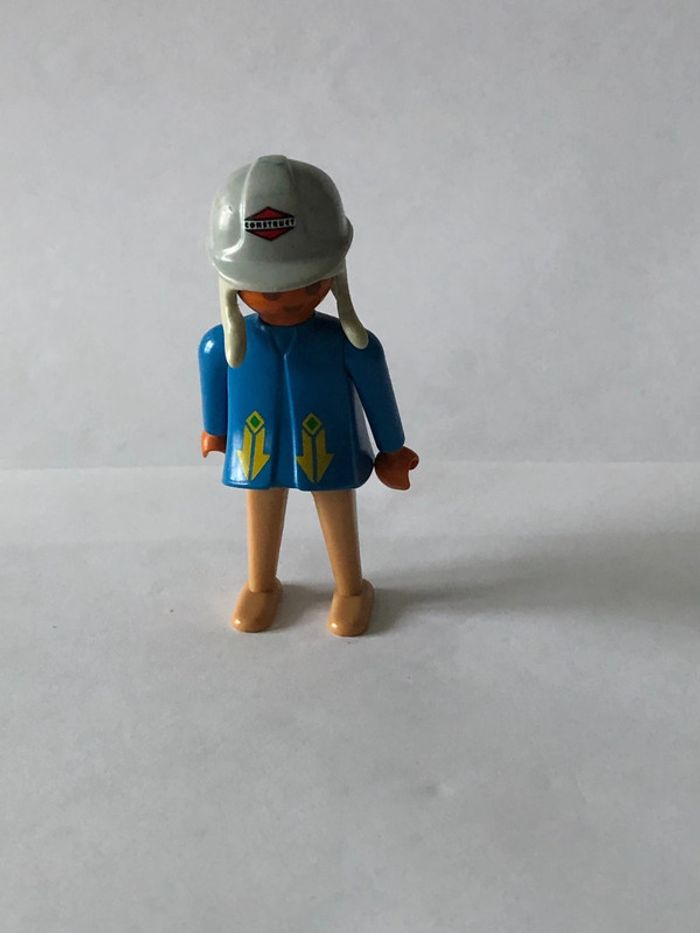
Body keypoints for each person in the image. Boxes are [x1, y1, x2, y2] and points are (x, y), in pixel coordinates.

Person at [199, 155, 418, 636]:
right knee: (261, 509)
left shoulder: (350, 344)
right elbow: (214, 384)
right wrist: (215, 430)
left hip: (328, 442)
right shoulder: (223, 344)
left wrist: (393, 449)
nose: (291, 300)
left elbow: (377, 393)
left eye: (308, 286)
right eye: (272, 293)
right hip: (257, 444)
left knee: (336, 510)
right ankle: (261, 584)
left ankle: (351, 588)